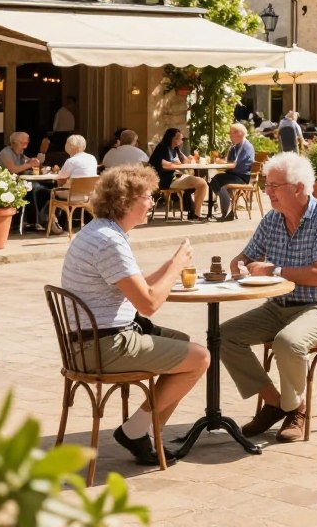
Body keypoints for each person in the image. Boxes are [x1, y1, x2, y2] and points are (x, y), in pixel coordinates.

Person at [60, 165, 209, 467]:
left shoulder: (100, 231)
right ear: (126, 201)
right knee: (200, 358)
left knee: (181, 344)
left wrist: (169, 266)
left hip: (88, 340)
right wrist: (177, 265)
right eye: (148, 196)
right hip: (101, 347)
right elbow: (149, 304)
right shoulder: (110, 242)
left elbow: (135, 284)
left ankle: (144, 433)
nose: (153, 202)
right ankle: (136, 431)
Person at [220, 152, 317, 444]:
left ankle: (296, 411)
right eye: (267, 185)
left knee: (288, 342)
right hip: (278, 305)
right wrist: (239, 263)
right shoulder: (272, 220)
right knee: (223, 336)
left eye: (275, 186)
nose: (267, 191)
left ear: (299, 188)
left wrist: (274, 269)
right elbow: (247, 256)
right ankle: (279, 402)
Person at [148, 127, 207, 222]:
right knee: (201, 183)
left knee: (201, 183)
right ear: (172, 138)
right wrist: (178, 165)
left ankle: (194, 212)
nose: (181, 141)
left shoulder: (174, 149)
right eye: (179, 138)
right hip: (165, 179)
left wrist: (190, 158)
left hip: (175, 177)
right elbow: (164, 165)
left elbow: (186, 161)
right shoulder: (163, 147)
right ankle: (195, 214)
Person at [0, 130, 42, 226]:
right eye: (22, 143)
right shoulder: (6, 153)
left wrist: (34, 161)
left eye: (26, 143)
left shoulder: (19, 153)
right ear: (13, 143)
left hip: (15, 184)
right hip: (2, 185)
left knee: (41, 189)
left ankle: (39, 221)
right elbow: (13, 169)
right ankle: (30, 222)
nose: (25, 146)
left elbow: (29, 161)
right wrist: (29, 164)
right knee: (33, 188)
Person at [212, 122, 255, 222]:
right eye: (230, 133)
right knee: (215, 179)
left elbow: (235, 165)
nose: (231, 135)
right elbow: (229, 162)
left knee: (221, 183)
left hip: (242, 176)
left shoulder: (247, 146)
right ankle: (228, 203)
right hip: (232, 174)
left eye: (233, 132)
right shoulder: (235, 147)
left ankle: (227, 210)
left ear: (241, 133)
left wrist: (222, 162)